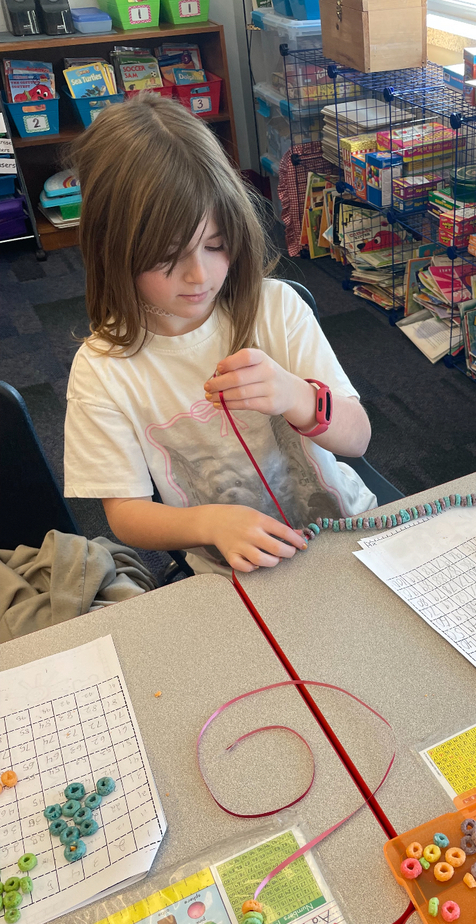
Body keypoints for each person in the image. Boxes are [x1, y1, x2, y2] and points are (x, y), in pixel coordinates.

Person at [64, 93, 374, 575]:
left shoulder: (276, 309)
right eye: (167, 254)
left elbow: (357, 438)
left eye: (216, 244)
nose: (200, 276)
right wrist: (208, 524)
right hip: (235, 571)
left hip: (344, 532)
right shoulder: (102, 369)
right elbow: (125, 513)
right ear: (114, 250)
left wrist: (297, 396)